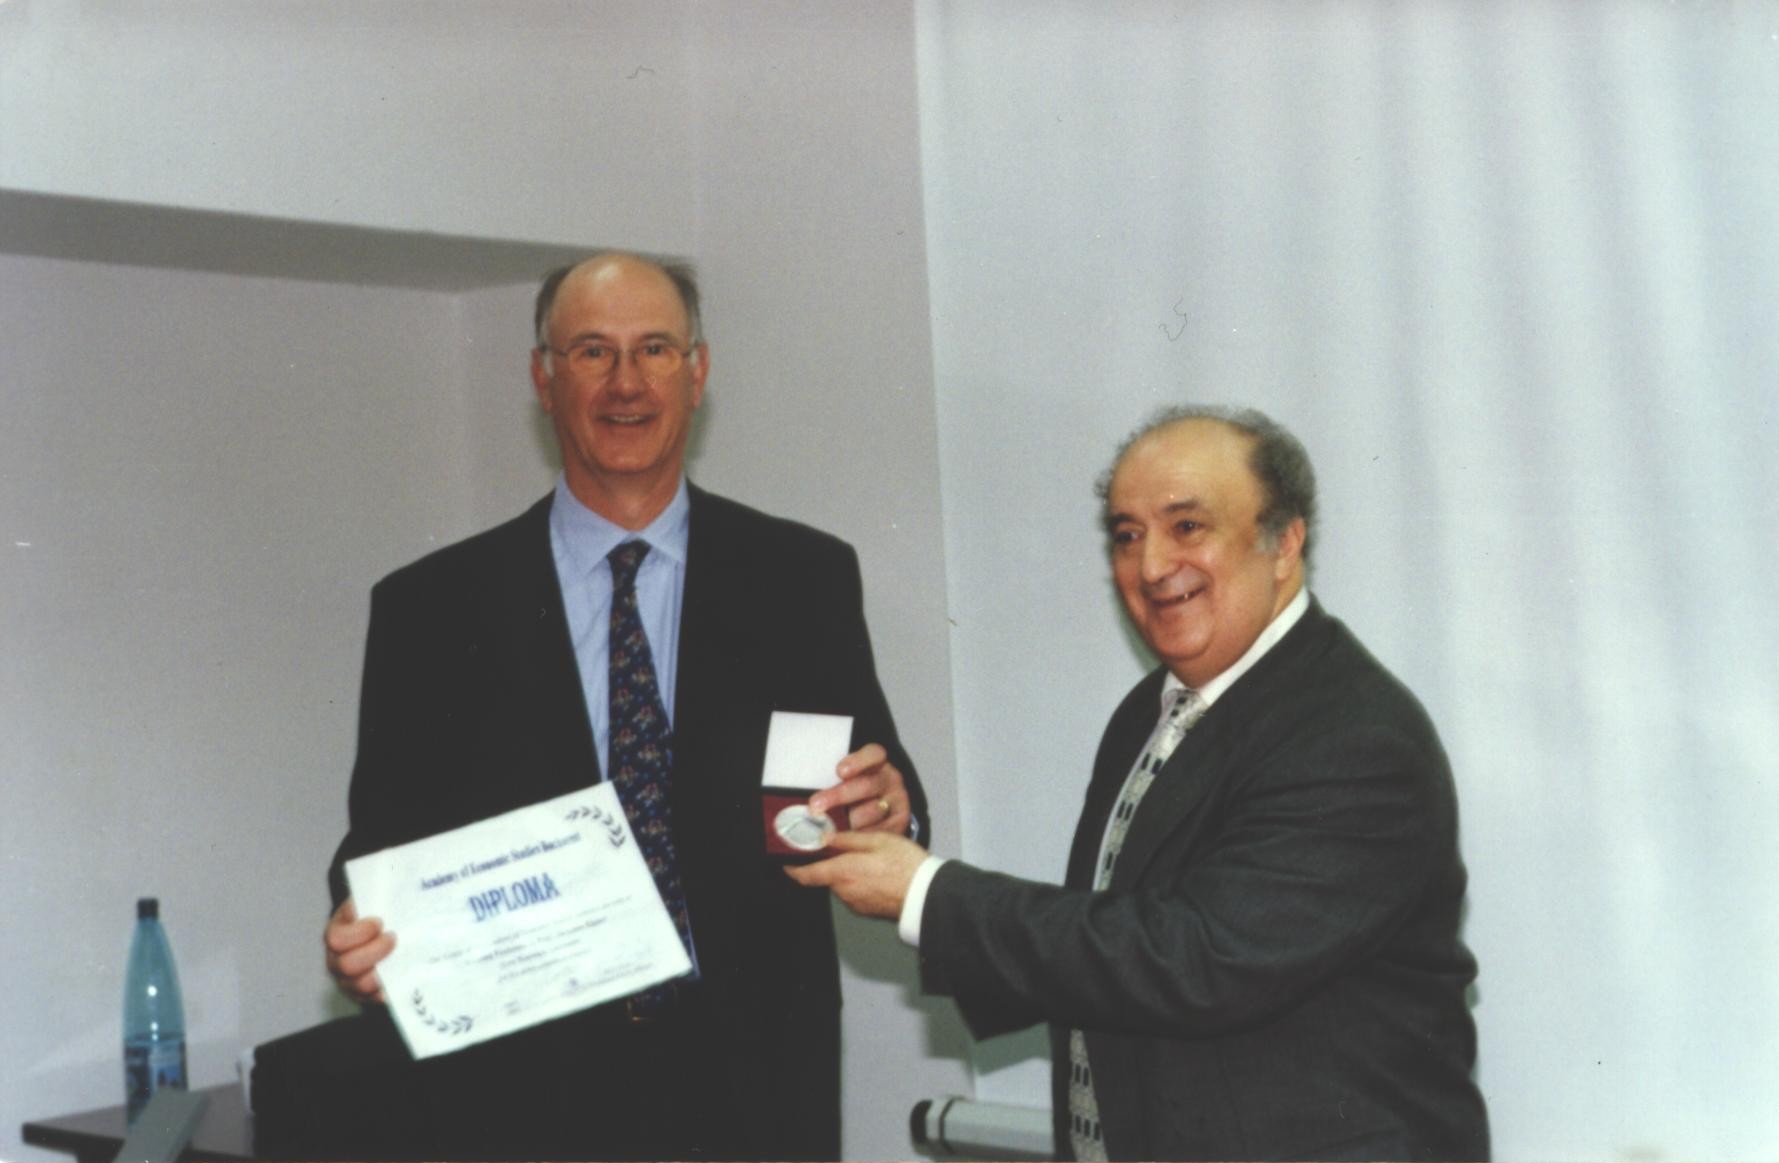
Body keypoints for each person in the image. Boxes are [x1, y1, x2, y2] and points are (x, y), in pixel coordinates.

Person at [318, 252, 928, 1161]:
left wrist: (890, 809)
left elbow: (881, 789)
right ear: (543, 378)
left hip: (754, 1081)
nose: (626, 383)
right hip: (520, 1097)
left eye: (654, 349)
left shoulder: (801, 577)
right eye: (592, 352)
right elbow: (379, 844)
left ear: (697, 372)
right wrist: (357, 926)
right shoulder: (432, 607)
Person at [791, 406, 1488, 1161]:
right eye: (1126, 535)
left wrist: (926, 894)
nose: (1151, 565)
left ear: (1284, 543)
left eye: (1187, 526)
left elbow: (1194, 960)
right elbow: (1110, 938)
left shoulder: (1353, 736)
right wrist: (889, 854)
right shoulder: (1152, 710)